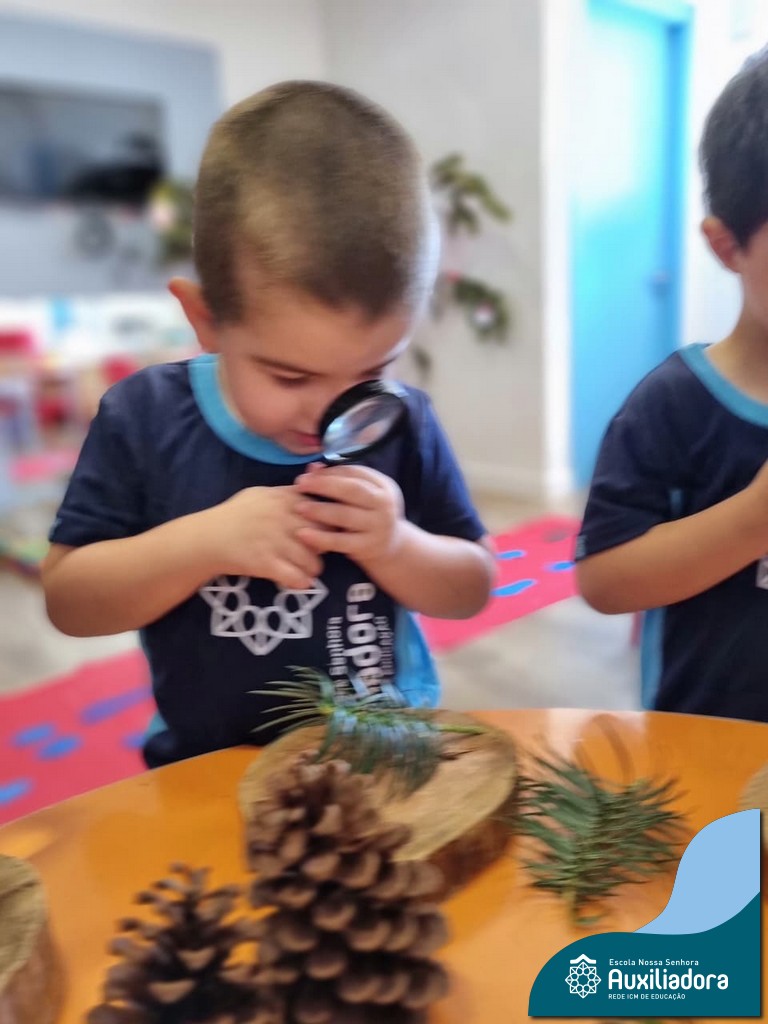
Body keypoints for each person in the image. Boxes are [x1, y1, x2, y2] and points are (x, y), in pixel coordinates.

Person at [41, 82, 496, 767]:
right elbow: (70, 602)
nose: (332, 414)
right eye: (290, 377)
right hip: (207, 765)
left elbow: (473, 587)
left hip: (380, 756)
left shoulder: (403, 422)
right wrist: (204, 543)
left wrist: (396, 545)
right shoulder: (143, 417)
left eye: (372, 371)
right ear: (205, 320)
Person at [576, 48, 768, 723]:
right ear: (727, 247)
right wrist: (751, 522)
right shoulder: (673, 406)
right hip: (703, 746)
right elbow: (603, 580)